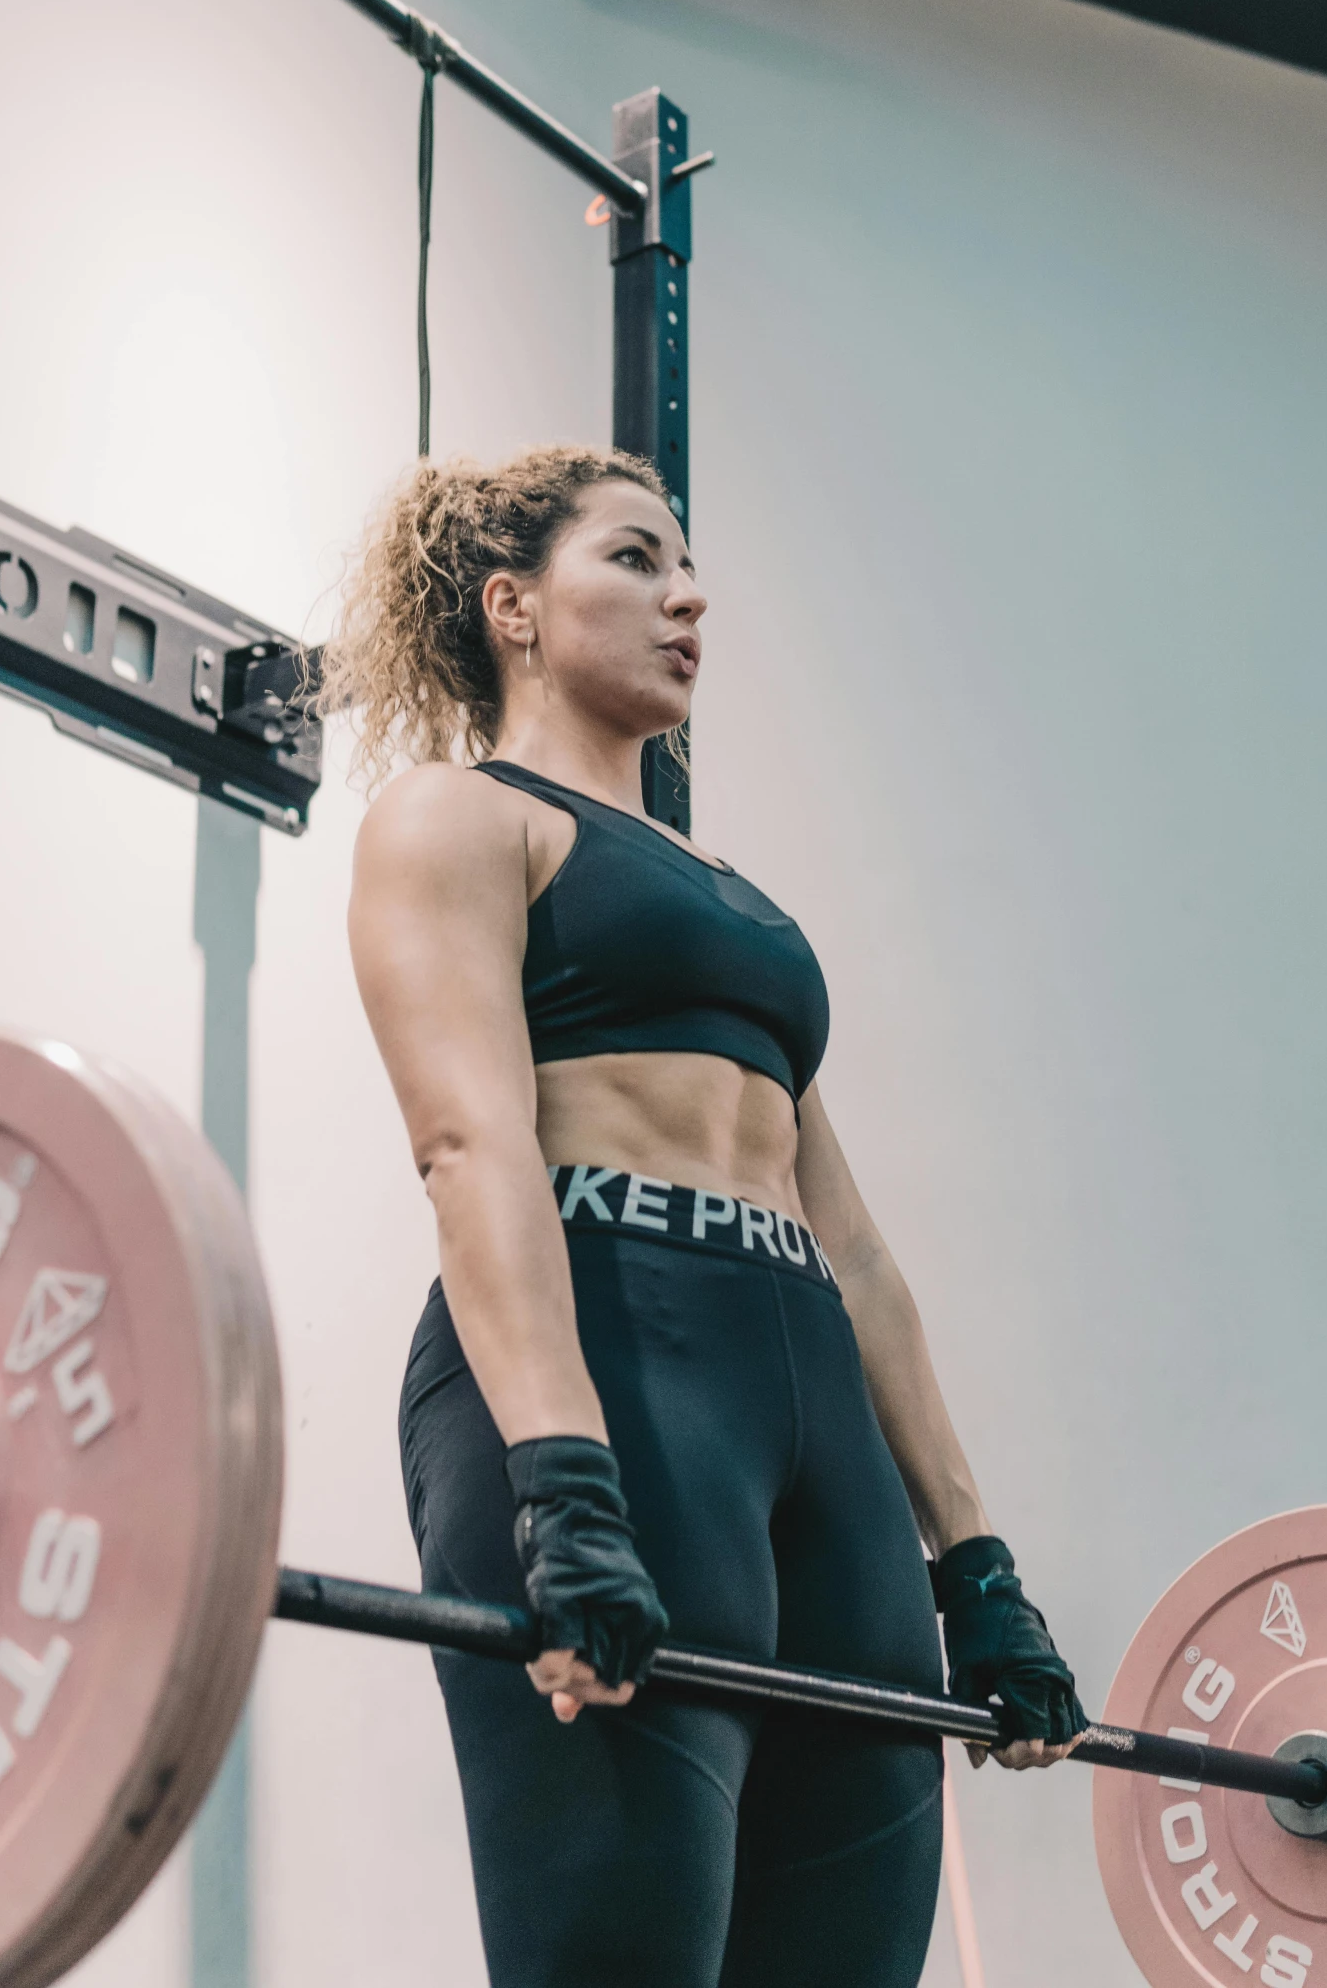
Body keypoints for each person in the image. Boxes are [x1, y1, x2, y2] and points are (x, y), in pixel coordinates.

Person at [321, 446, 1085, 1988]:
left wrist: (976, 1565)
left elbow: (854, 1248)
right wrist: (561, 1479)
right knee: (625, 1953)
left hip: (808, 1407)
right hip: (616, 1375)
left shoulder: (732, 897)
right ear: (511, 606)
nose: (690, 596)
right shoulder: (461, 819)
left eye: (687, 567)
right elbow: (472, 1145)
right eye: (635, 558)